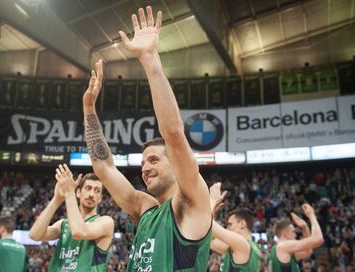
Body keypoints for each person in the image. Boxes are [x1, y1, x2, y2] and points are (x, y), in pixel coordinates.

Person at [82, 6, 212, 271]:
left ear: (175, 164)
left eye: (153, 160)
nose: (145, 168)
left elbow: (174, 133)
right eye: (143, 163)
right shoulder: (145, 209)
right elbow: (103, 167)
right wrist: (88, 110)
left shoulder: (191, 202)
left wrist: (149, 58)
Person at [29, 164, 113, 272]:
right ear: (78, 193)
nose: (92, 194)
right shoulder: (63, 224)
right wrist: (57, 199)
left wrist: (69, 193)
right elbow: (34, 235)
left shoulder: (105, 222)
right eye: (88, 188)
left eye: (97, 191)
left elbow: (78, 232)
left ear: (100, 199)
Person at [209, 182, 261, 271]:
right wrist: (212, 212)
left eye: (230, 224)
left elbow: (208, 225)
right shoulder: (237, 247)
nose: (227, 228)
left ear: (242, 224)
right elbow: (209, 238)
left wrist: (211, 202)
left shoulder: (242, 244)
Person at [270, 204, 324, 272]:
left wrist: (305, 227)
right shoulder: (283, 246)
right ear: (284, 233)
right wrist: (312, 215)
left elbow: (308, 252)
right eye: (293, 232)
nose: (295, 235)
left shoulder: (282, 250)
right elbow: (319, 239)